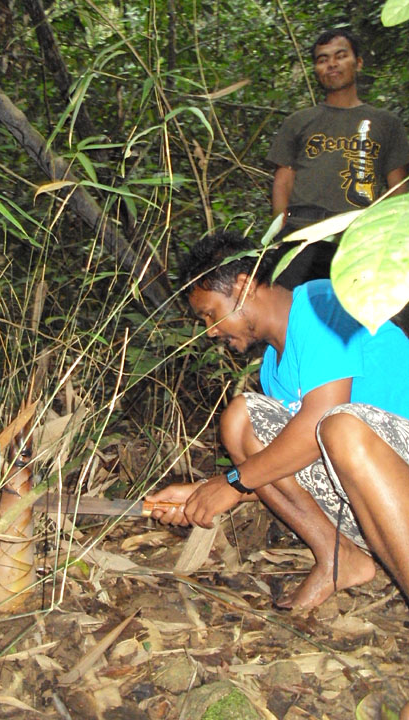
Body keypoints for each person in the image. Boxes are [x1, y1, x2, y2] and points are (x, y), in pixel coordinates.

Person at [147, 231, 409, 610]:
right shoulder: (273, 368)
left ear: (243, 286)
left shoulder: (323, 302)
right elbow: (281, 463)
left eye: (210, 314)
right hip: (374, 506)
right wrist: (202, 494)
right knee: (241, 419)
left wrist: (233, 484)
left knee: (339, 426)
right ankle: (339, 557)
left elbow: (322, 417)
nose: (210, 331)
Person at [267, 29, 409, 289]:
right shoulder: (298, 121)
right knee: (293, 313)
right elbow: (283, 182)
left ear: (358, 62)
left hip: (358, 238)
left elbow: (397, 189)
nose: (331, 64)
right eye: (322, 59)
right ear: (315, 69)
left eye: (340, 56)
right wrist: (279, 234)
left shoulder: (386, 123)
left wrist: (388, 237)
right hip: (302, 235)